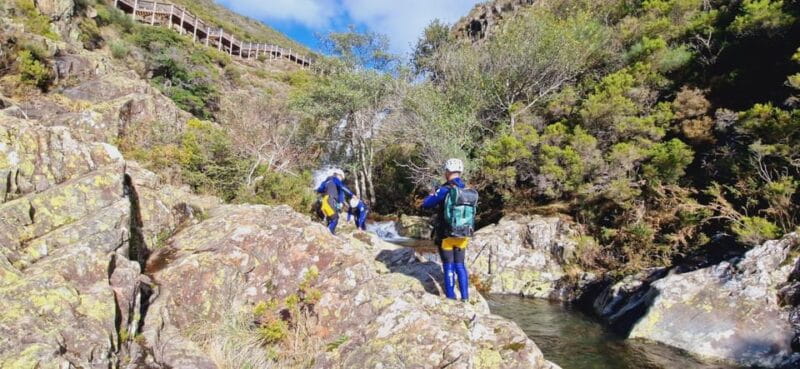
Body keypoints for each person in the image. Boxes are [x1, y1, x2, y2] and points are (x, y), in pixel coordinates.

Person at [421, 158, 478, 301]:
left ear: (447, 172)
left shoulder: (445, 189)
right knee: (460, 265)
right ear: (460, 171)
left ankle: (451, 298)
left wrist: (431, 194)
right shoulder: (466, 189)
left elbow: (426, 204)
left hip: (446, 234)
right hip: (463, 233)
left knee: (448, 266)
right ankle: (465, 298)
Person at [316, 168, 353, 234]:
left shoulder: (325, 181)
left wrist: (339, 205)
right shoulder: (335, 179)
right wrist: (352, 194)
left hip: (325, 201)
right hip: (330, 201)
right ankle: (329, 235)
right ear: (338, 175)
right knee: (335, 219)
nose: (341, 179)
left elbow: (319, 190)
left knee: (330, 219)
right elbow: (342, 188)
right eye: (341, 177)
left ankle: (328, 233)